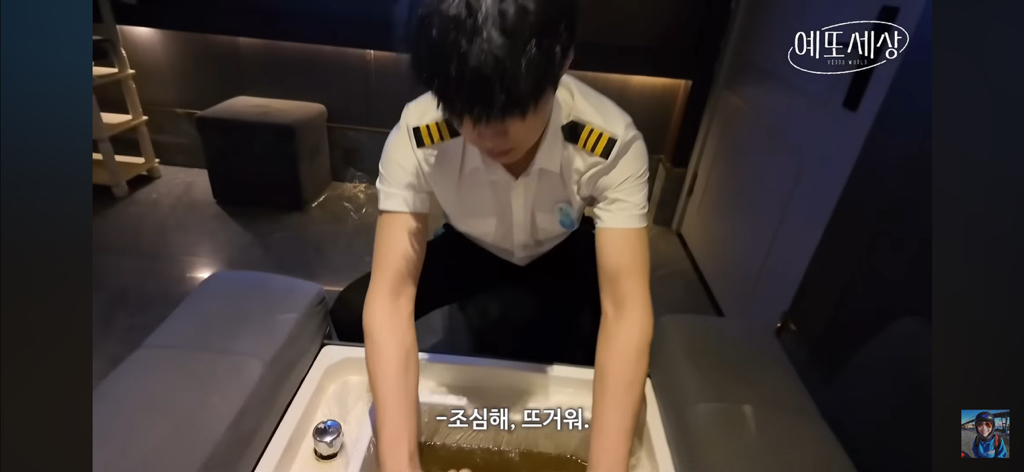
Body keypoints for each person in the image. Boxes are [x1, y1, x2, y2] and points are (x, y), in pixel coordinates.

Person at [328, 0, 654, 471]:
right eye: (467, 109)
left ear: (563, 60)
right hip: (471, 248)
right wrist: (400, 462)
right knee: (352, 310)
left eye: (513, 108)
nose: (488, 133)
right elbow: (391, 296)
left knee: (610, 357)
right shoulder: (418, 134)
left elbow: (626, 309)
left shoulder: (608, 140)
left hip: (561, 249)